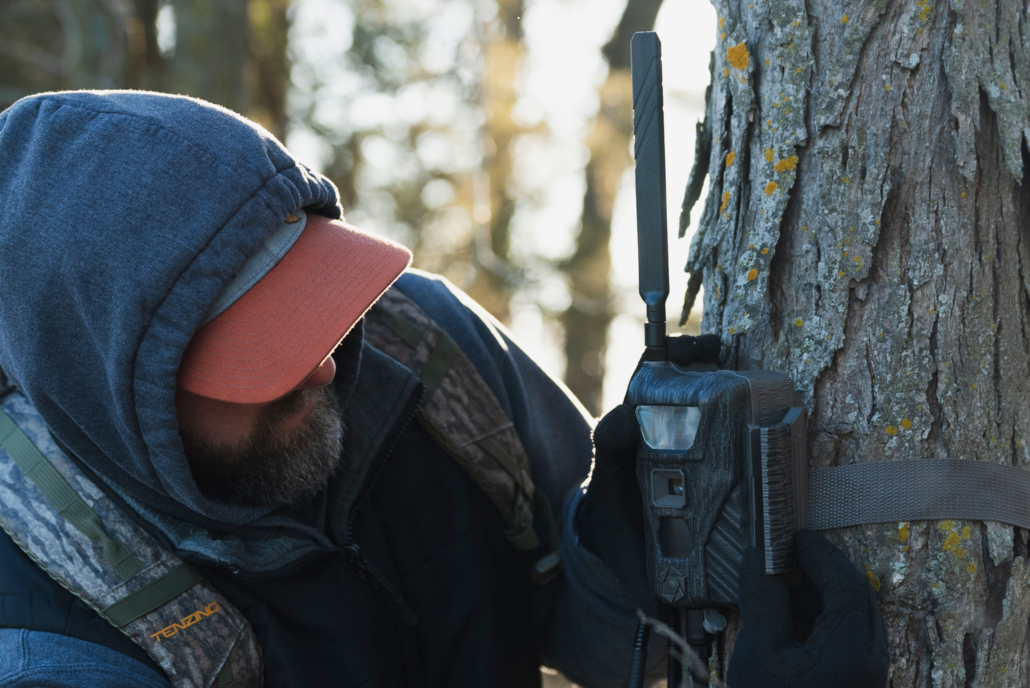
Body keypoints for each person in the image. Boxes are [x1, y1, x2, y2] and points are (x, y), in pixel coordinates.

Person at [0, 91, 888, 688]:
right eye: (257, 350)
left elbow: (566, 624)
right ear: (108, 398)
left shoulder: (415, 345)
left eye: (314, 298)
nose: (322, 364)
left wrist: (617, 564)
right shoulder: (56, 633)